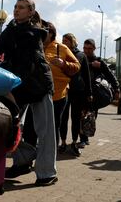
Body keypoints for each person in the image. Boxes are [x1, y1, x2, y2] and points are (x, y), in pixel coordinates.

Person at [0, 0, 58, 186]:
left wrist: (10, 83)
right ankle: (24, 159)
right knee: (8, 125)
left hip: (38, 84)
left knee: (44, 131)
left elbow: (27, 65)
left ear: (31, 12)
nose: (16, 10)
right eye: (15, 7)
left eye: (21, 7)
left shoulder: (33, 33)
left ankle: (47, 173)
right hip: (20, 83)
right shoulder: (11, 29)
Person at [42, 22, 80, 154]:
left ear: (51, 33)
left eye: (43, 30)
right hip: (38, 95)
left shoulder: (61, 48)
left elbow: (77, 65)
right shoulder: (36, 47)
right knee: (35, 127)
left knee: (53, 127)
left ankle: (51, 155)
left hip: (58, 95)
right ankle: (31, 157)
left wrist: (64, 64)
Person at [80, 38, 119, 147]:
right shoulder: (80, 58)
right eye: (85, 48)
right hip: (81, 93)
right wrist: (90, 65)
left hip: (94, 94)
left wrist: (117, 89)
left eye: (89, 48)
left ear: (94, 48)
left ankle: (86, 136)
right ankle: (82, 138)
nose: (87, 50)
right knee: (81, 115)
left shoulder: (99, 61)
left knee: (91, 116)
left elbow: (110, 75)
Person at [60, 33, 93, 156]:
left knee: (76, 118)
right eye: (63, 40)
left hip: (78, 91)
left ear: (72, 42)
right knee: (63, 118)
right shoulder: (61, 53)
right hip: (63, 90)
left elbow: (86, 75)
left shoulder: (81, 55)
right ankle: (63, 142)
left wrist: (89, 92)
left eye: (67, 40)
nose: (64, 42)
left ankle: (74, 143)